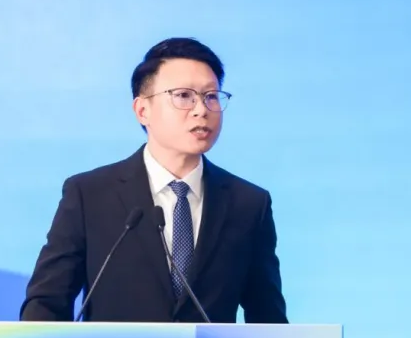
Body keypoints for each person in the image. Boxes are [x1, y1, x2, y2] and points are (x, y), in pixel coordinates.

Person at [19, 37, 288, 323]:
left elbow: (268, 320)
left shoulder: (248, 204)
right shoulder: (90, 195)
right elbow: (46, 304)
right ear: (142, 110)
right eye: (183, 96)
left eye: (211, 96)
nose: (201, 109)